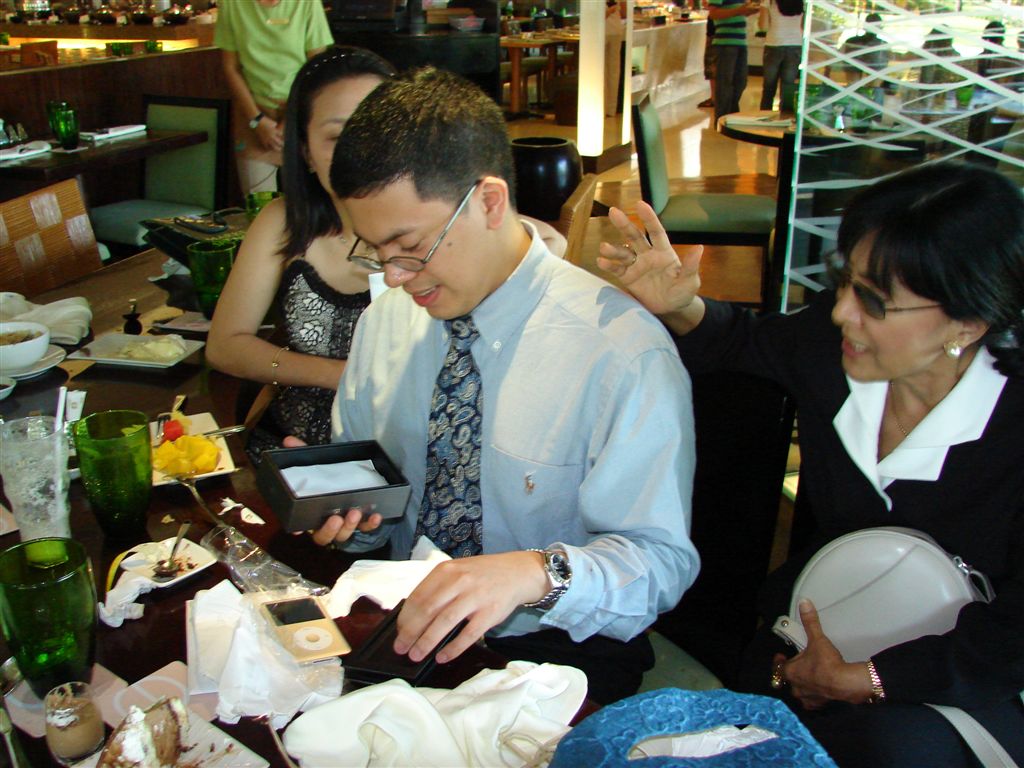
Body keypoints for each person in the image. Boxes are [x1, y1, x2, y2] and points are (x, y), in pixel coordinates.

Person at [597, 162, 1024, 765]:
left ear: (968, 322)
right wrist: (681, 306)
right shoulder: (834, 348)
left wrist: (866, 679)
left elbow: (1013, 637)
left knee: (885, 748)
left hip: (965, 680)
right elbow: (744, 340)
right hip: (825, 624)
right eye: (844, 281)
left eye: (873, 300)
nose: (841, 311)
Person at [315, 67, 700, 705]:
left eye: (410, 246)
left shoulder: (619, 351)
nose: (395, 276)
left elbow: (660, 563)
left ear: (490, 201)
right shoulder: (386, 321)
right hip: (403, 627)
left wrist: (535, 574)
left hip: (558, 651)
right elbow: (374, 501)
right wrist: (349, 514)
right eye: (375, 252)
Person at [207, 46, 396, 458]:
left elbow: (536, 241)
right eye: (338, 137)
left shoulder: (443, 226)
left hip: (407, 458)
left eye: (379, 129)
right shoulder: (283, 221)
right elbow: (224, 345)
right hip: (295, 452)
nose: (363, 151)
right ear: (307, 152)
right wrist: (340, 375)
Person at [214, 0, 333, 195]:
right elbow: (231, 68)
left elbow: (317, 67)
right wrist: (257, 120)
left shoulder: (307, 3)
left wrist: (289, 119)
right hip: (253, 115)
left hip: (300, 113)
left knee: (310, 203)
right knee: (258, 203)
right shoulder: (231, 4)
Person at [707, 0, 760, 123]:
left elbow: (740, 12)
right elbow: (713, 14)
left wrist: (748, 11)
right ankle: (722, 119)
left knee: (740, 81)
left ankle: (731, 114)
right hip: (725, 43)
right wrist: (739, 10)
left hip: (740, 42)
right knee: (725, 83)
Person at [758, 0, 803, 111]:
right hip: (795, 44)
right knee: (788, 87)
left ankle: (764, 116)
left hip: (774, 44)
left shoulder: (769, 2)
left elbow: (763, 26)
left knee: (769, 87)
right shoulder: (801, 2)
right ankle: (785, 116)